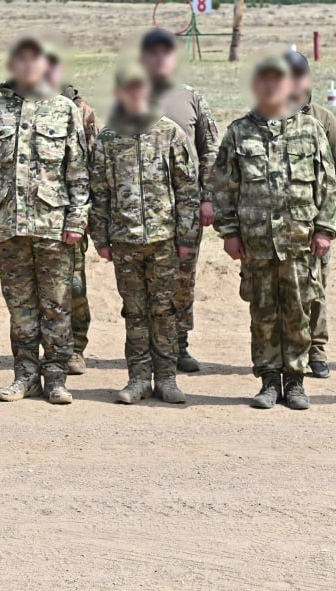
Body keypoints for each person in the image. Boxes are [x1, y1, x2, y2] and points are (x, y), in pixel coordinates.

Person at [212, 55, 336, 410]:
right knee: (263, 314)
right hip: (257, 242)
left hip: (299, 241)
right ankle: (268, 382)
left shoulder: (310, 128)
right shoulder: (238, 132)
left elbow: (326, 184)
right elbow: (223, 187)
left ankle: (295, 383)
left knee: (297, 312)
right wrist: (230, 233)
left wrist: (324, 230)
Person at [0, 36, 90, 405]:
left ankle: (55, 377)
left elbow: (79, 170)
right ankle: (24, 375)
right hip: (8, 225)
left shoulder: (64, 110)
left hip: (53, 225)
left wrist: (77, 218)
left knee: (57, 306)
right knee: (20, 306)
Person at [89, 63, 200, 405]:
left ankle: (166, 378)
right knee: (135, 312)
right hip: (124, 241)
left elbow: (187, 190)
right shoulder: (109, 137)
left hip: (165, 240)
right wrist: (102, 239)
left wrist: (186, 238)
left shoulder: (170, 134)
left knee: (165, 310)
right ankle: (137, 378)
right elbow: (99, 192)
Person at [141, 28, 218, 373]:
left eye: (166, 53)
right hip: (141, 210)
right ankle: (145, 348)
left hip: (184, 207)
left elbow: (210, 150)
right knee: (143, 282)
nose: (159, 59)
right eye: (153, 53)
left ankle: (179, 344)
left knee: (182, 280)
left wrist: (207, 198)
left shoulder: (191, 98)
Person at [285, 48, 336, 379]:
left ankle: (317, 350)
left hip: (315, 226)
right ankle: (283, 351)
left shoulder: (325, 121)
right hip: (275, 228)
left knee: (315, 289)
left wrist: (330, 224)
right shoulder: (264, 118)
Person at [46, 45, 99, 374]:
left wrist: (83, 215)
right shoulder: (18, 104)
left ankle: (75, 347)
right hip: (35, 217)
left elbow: (90, 165)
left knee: (74, 286)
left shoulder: (81, 110)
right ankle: (46, 348)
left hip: (69, 213)